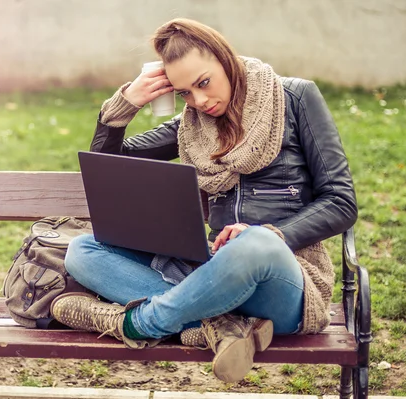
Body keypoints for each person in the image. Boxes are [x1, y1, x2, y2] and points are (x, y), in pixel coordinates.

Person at [50, 18, 357, 382]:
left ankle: (137, 323)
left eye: (203, 83)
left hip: (285, 278)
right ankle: (221, 325)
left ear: (225, 59)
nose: (199, 101)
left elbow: (341, 202)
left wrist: (274, 234)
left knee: (254, 241)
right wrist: (123, 107)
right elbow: (110, 166)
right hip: (211, 269)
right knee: (83, 250)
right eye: (184, 93)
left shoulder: (295, 98)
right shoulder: (192, 124)